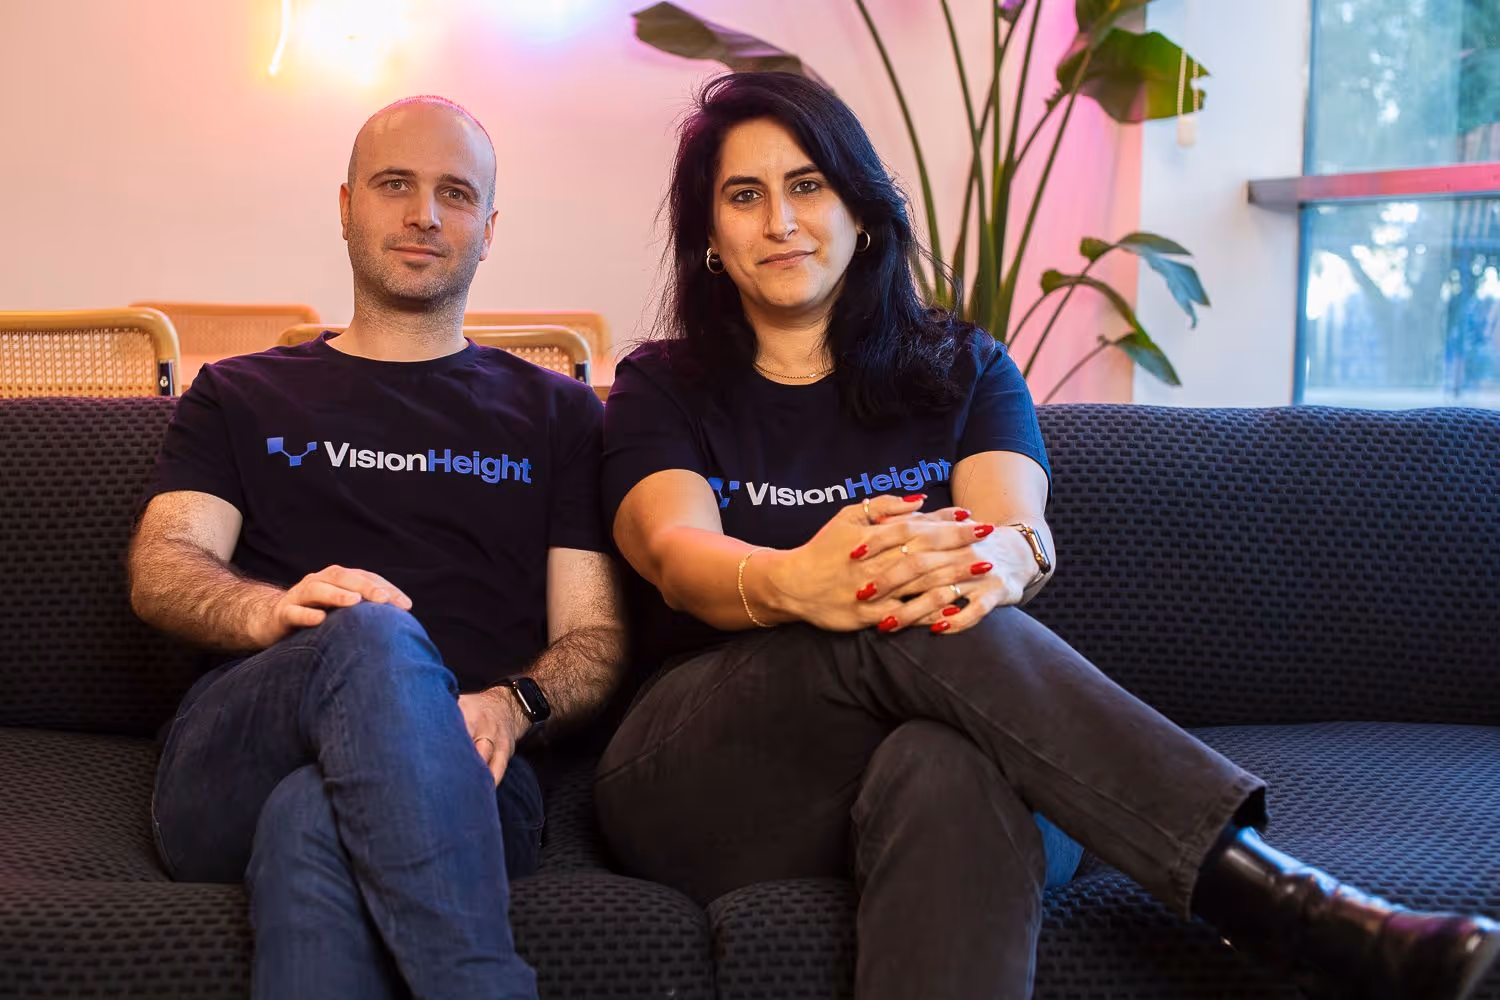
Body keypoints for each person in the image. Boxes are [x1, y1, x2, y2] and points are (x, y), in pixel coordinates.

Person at [594, 72, 1499, 1000]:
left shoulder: (963, 367)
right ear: (710, 235)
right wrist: (801, 582)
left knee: (947, 761)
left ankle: (1264, 896)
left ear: (861, 211)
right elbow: (673, 551)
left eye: (808, 184)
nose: (780, 220)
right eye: (745, 196)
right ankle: (1265, 895)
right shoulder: (664, 384)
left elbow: (1014, 529)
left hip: (932, 753)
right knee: (891, 598)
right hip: (710, 772)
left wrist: (996, 558)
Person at [128, 95, 624, 1000]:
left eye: (455, 193)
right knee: (370, 629)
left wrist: (514, 706)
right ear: (347, 203)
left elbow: (594, 635)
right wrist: (269, 609)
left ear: (489, 227)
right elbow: (165, 564)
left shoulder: (559, 415)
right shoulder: (240, 394)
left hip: (471, 764)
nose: (425, 214)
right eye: (395, 184)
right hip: (236, 753)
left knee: (314, 817)